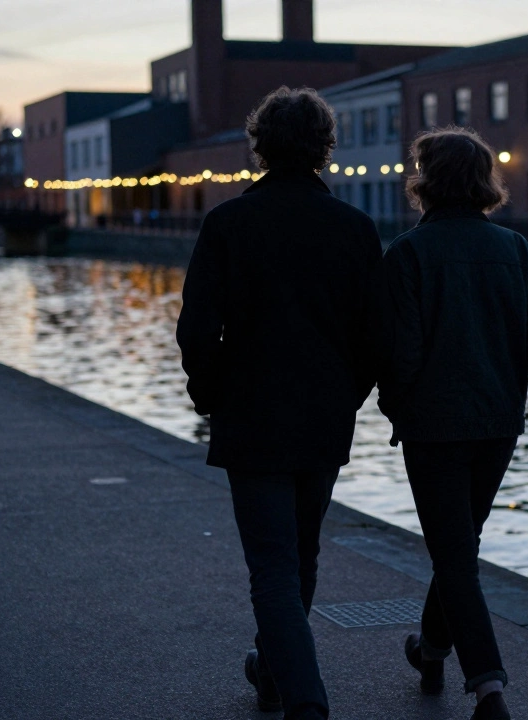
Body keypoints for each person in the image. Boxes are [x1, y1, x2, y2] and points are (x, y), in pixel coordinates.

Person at [175, 87, 381, 720]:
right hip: (323, 415)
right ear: (325, 147)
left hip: (252, 413)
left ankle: (305, 700)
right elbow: (376, 335)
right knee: (302, 554)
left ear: (259, 145)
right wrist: (348, 395)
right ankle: (272, 672)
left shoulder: (229, 223)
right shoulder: (354, 228)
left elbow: (196, 328)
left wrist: (211, 395)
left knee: (272, 566)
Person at [377, 128, 528, 720]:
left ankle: (489, 688)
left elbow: (401, 353)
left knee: (455, 556)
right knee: (459, 546)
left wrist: (397, 407)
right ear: (484, 181)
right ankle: (430, 650)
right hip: (496, 426)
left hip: (433, 428)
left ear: (426, 181)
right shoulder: (515, 250)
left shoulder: (408, 253)